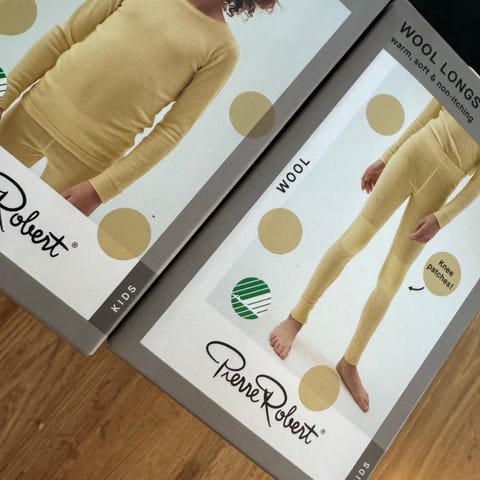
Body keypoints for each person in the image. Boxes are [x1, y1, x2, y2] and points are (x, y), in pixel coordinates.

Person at [270, 98, 480, 412]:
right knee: (352, 241)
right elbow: (428, 114)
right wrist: (385, 158)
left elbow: (478, 182)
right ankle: (296, 318)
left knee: (391, 280)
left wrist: (442, 218)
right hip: (413, 154)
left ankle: (350, 361)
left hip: (441, 186)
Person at [0, 0, 277, 215]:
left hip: (89, 159)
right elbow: (63, 38)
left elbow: (172, 130)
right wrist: (3, 97)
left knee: (21, 254)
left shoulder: (223, 49)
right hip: (28, 117)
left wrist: (101, 190)